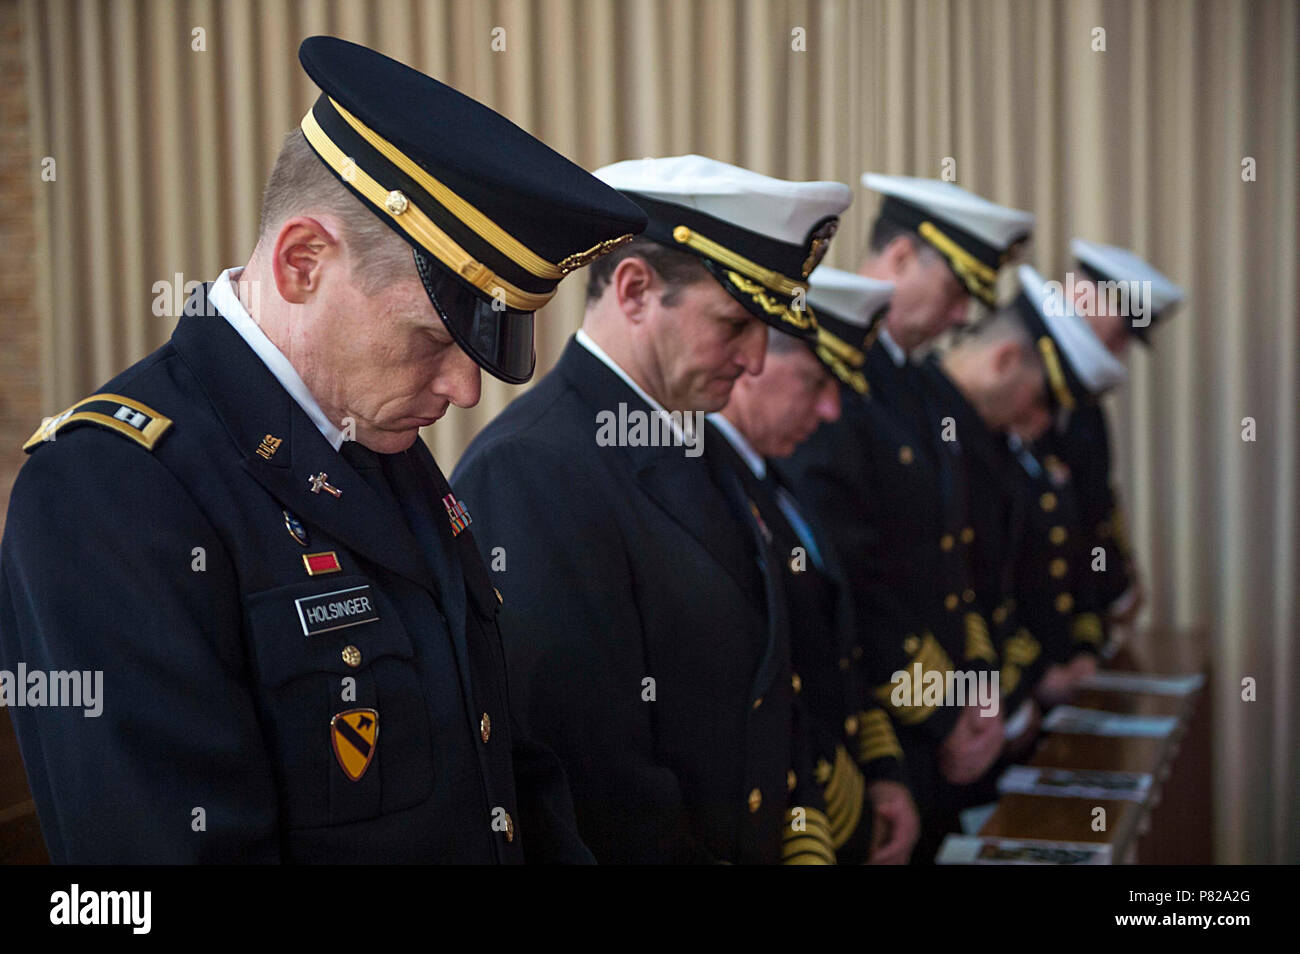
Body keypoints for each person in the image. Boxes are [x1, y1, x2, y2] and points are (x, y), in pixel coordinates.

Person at [0, 36, 647, 863]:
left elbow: (499, 769)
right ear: (304, 262)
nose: (466, 390)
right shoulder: (110, 488)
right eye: (431, 338)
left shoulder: (369, 431)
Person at [452, 155, 854, 863]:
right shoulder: (531, 466)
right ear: (635, 291)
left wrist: (799, 827)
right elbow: (587, 776)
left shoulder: (695, 435)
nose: (757, 360)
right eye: (734, 324)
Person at [784, 174, 1033, 860]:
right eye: (955, 293)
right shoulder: (833, 382)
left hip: (937, 721)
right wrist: (946, 708)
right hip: (885, 722)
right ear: (898, 261)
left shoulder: (919, 385)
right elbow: (856, 579)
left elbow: (954, 568)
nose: (960, 319)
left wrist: (975, 694)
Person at [711, 265, 922, 863]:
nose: (831, 411)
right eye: (814, 382)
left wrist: (880, 770)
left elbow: (837, 650)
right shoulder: (714, 484)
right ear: (754, 367)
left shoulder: (771, 477)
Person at [1043, 240, 1187, 636]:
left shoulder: (1085, 407)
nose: (1119, 352)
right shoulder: (1019, 379)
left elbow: (1096, 505)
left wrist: (1115, 583)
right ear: (1084, 297)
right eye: (1121, 332)